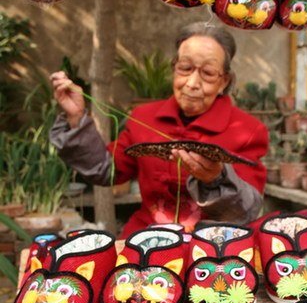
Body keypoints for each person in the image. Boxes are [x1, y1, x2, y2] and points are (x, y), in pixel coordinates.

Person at [50, 21, 269, 238]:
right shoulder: (143, 117)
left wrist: (216, 179)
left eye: (208, 73)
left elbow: (246, 211)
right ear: (174, 67)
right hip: (147, 239)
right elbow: (107, 170)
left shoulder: (249, 131)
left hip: (212, 247)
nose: (192, 83)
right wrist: (76, 117)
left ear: (224, 81)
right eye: (185, 68)